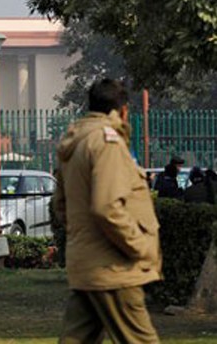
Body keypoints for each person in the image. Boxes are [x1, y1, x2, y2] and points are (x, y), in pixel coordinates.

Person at [53, 79, 161, 343]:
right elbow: (107, 207)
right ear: (122, 110)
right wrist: (139, 246)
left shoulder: (77, 142)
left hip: (88, 264)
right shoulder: (107, 142)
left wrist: (84, 239)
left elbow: (60, 205)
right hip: (114, 267)